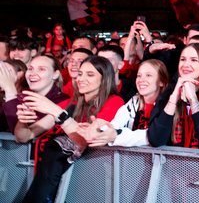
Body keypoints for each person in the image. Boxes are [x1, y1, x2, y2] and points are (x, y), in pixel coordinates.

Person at [19, 56, 123, 202]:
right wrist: (22, 119)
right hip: (54, 183)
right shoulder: (70, 103)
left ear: (104, 78)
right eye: (80, 74)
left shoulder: (114, 101)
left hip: (91, 181)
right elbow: (25, 136)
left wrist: (59, 114)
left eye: (90, 74)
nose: (81, 78)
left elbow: (89, 137)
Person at [147, 43, 199, 151]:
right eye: (183, 59)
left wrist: (193, 100)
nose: (186, 64)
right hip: (172, 164)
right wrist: (173, 99)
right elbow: (155, 139)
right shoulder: (170, 91)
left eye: (193, 60)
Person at [82, 59, 168, 147]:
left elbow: (152, 137)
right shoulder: (134, 101)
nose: (141, 80)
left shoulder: (167, 107)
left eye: (148, 75)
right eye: (139, 75)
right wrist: (101, 130)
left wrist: (115, 136)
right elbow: (115, 125)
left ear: (161, 82)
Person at [0, 59, 28, 131]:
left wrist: (9, 88)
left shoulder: (27, 98)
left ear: (20, 74)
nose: (2, 75)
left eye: (5, 71)